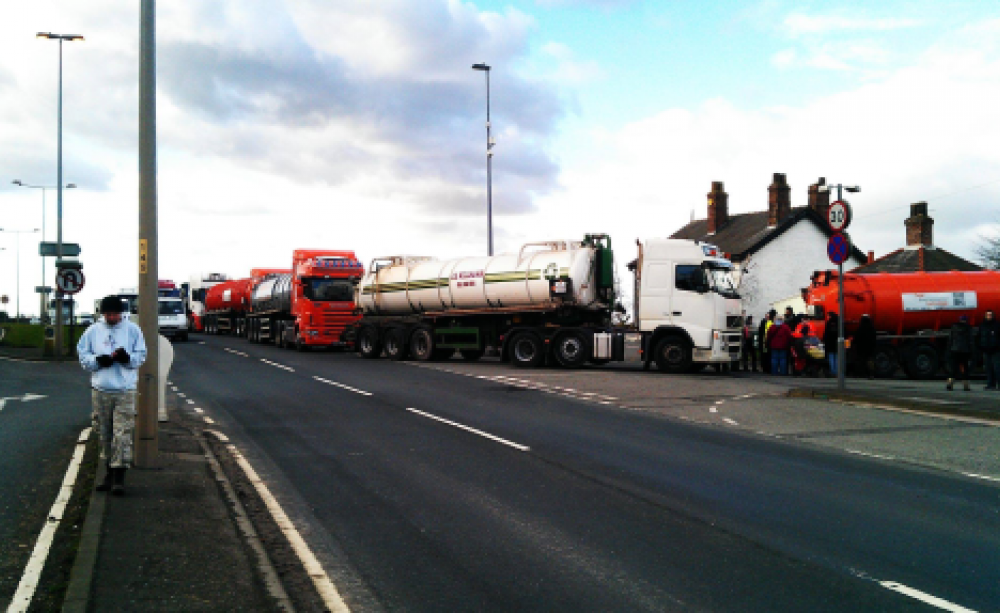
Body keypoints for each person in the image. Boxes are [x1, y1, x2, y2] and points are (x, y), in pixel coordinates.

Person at [77, 296, 148, 495]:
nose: (111, 317)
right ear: (102, 313)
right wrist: (98, 361)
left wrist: (127, 359)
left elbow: (141, 356)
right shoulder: (92, 331)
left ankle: (119, 476)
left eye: (114, 314)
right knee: (104, 432)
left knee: (122, 434)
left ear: (121, 313)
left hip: (125, 390)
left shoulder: (133, 330)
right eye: (107, 314)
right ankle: (108, 472)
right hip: (101, 390)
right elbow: (83, 355)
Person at [946, 315, 973, 391]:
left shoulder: (954, 328)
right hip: (965, 350)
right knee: (965, 368)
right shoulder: (968, 328)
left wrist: (949, 350)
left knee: (953, 367)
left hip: (954, 350)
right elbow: (970, 341)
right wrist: (972, 352)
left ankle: (950, 383)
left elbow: (950, 339)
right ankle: (966, 385)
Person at [853, 314, 877, 379]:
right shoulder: (872, 327)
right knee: (869, 360)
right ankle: (871, 374)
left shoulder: (860, 327)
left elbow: (856, 337)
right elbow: (874, 337)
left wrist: (855, 344)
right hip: (870, 347)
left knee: (861, 360)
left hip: (861, 347)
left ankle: (861, 374)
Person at [980, 309, 999, 390]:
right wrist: (981, 347)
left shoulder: (997, 325)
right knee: (988, 368)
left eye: (990, 315)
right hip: (986, 350)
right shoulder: (982, 325)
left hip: (996, 350)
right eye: (987, 315)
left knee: (997, 368)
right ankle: (990, 384)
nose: (989, 316)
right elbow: (979, 337)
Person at [758, 310, 776, 374]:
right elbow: (765, 333)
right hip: (766, 342)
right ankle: (766, 368)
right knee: (766, 355)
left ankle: (765, 368)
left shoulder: (766, 322)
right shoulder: (768, 323)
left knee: (766, 355)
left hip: (765, 342)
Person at [823, 312, 840, 377]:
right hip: (837, 344)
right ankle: (837, 371)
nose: (827, 317)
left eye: (828, 316)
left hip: (830, 344)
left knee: (831, 357)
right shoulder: (839, 323)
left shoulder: (828, 323)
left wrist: (824, 341)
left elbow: (826, 334)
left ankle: (833, 371)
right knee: (837, 357)